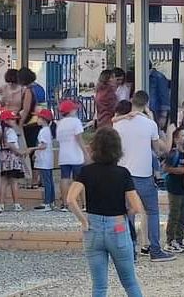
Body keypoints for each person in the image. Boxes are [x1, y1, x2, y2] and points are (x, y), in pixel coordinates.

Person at [67, 127, 144, 297]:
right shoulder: (123, 173)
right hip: (117, 227)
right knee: (130, 282)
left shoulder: (86, 171)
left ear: (95, 147)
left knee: (99, 286)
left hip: (93, 227)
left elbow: (70, 199)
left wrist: (83, 220)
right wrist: (126, 213)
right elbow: (137, 207)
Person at [114, 90, 175, 262]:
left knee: (128, 213)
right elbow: (158, 150)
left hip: (123, 174)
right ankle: (155, 249)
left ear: (132, 101)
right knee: (152, 212)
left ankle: (130, 250)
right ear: (147, 104)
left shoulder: (118, 124)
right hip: (144, 174)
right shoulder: (150, 124)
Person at [57, 100, 89, 212]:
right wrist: (85, 153)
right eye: (74, 109)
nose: (76, 110)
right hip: (75, 155)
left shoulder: (60, 123)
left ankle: (65, 204)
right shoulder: (76, 122)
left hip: (63, 155)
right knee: (80, 180)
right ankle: (84, 204)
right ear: (70, 111)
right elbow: (79, 138)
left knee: (64, 178)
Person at [162, 127, 184, 253]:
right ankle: (170, 240)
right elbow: (165, 168)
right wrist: (182, 170)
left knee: (183, 214)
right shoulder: (173, 153)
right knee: (174, 213)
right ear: (176, 139)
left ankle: (179, 239)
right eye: (182, 136)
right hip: (174, 187)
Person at [28, 109, 56, 211]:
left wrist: (32, 149)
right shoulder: (47, 130)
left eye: (39, 118)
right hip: (46, 159)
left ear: (44, 119)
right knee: (49, 180)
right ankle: (51, 201)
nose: (37, 119)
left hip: (44, 159)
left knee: (46, 181)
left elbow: (43, 146)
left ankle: (47, 202)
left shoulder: (43, 131)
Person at [0, 110, 25, 212]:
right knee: (14, 182)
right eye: (12, 119)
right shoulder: (10, 131)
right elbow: (11, 145)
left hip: (2, 158)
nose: (14, 121)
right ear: (6, 120)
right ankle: (16, 204)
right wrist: (19, 152)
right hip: (12, 158)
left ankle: (1, 204)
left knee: (3, 182)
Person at [18, 67, 40, 187]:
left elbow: (26, 110)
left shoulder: (27, 91)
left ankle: (34, 179)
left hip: (29, 124)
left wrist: (20, 124)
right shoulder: (32, 89)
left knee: (30, 151)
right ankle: (34, 178)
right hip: (32, 124)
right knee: (31, 151)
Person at [149, 63, 171, 129]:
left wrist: (163, 115)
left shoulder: (159, 77)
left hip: (156, 110)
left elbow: (164, 95)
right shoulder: (147, 77)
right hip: (151, 109)